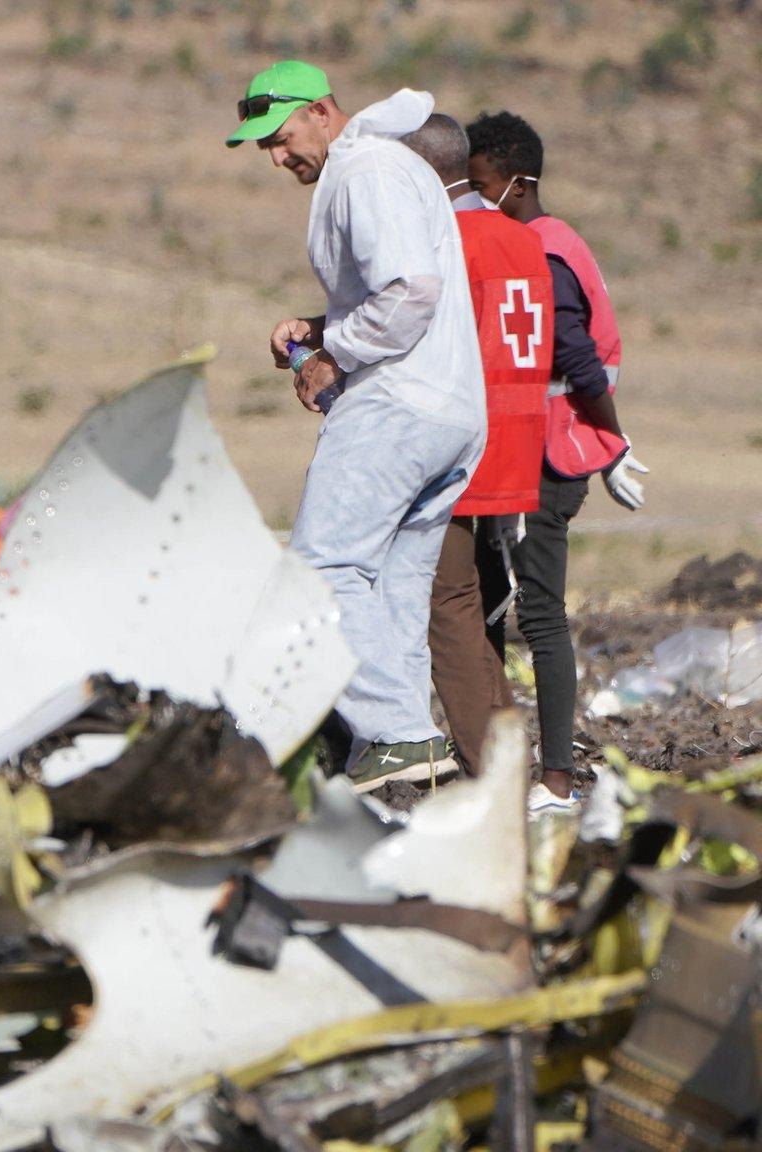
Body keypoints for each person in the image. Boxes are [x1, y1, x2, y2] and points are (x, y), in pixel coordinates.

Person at [230, 61, 486, 790]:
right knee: (392, 585)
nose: (278, 159)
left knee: (321, 572)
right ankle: (401, 755)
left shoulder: (365, 168)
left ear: (320, 111)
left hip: (398, 408)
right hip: (451, 409)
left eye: (279, 139)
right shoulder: (391, 166)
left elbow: (410, 293)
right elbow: (401, 289)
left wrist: (332, 355)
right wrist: (320, 326)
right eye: (264, 150)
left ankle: (399, 735)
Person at [467, 110, 649, 810]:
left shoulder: (542, 253)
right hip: (534, 449)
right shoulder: (544, 243)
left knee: (540, 614)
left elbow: (574, 358)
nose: (478, 201)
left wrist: (614, 443)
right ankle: (502, 761)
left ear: (520, 182)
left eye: (483, 186)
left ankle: (555, 781)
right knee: (488, 601)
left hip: (555, 453)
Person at [401, 113, 552, 779]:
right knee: (473, 597)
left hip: (465, 443)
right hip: (519, 439)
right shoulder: (522, 239)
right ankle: (507, 753)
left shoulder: (446, 240)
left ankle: (490, 770)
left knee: (446, 602)